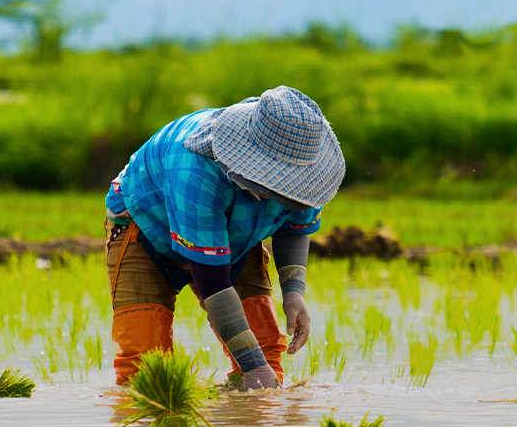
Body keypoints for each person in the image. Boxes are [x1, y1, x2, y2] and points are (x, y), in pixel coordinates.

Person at [104, 86, 345, 389]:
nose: (282, 195)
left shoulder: (306, 169)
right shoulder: (196, 168)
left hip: (235, 236)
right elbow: (214, 284)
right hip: (149, 230)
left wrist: (294, 293)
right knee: (146, 370)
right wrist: (254, 367)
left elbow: (294, 227)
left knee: (265, 351)